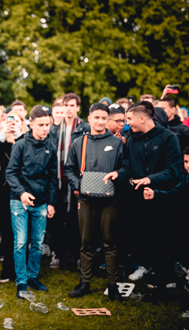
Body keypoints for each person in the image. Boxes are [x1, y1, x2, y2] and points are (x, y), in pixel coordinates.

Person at [104, 101, 181, 301]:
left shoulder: (168, 138)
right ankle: (155, 283)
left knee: (163, 243)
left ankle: (163, 287)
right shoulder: (132, 140)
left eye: (129, 119)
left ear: (142, 118)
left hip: (163, 199)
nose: (126, 124)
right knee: (146, 242)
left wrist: (151, 180)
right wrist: (117, 174)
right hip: (138, 201)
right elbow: (128, 166)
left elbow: (174, 170)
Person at [64, 103, 124, 301]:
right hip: (86, 198)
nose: (100, 121)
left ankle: (113, 285)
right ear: (89, 119)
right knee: (86, 241)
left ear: (108, 120)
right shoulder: (79, 142)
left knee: (110, 241)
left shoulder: (117, 143)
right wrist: (78, 185)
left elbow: (127, 167)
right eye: (96, 117)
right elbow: (69, 168)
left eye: (103, 118)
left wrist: (118, 174)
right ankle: (85, 283)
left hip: (109, 199)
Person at [5, 107, 57, 299]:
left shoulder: (51, 147)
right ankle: (21, 282)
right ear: (31, 123)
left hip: (42, 202)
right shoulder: (20, 145)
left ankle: (32, 276)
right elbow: (10, 173)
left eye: (47, 125)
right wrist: (21, 193)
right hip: (19, 201)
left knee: (37, 242)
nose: (45, 129)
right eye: (41, 125)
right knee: (20, 242)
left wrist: (51, 202)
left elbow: (53, 178)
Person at [47, 92, 90, 269]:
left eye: (72, 105)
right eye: (66, 105)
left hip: (77, 179)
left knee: (76, 218)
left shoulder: (84, 128)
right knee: (57, 217)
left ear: (78, 108)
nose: (69, 109)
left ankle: (78, 254)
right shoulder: (54, 129)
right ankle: (58, 253)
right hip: (57, 180)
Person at [0, 110, 28, 284]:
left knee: (21, 234)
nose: (13, 124)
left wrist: (19, 136)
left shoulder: (26, 142)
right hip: (2, 193)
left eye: (17, 121)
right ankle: (8, 269)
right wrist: (3, 134)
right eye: (9, 121)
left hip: (22, 192)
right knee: (6, 233)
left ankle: (22, 269)